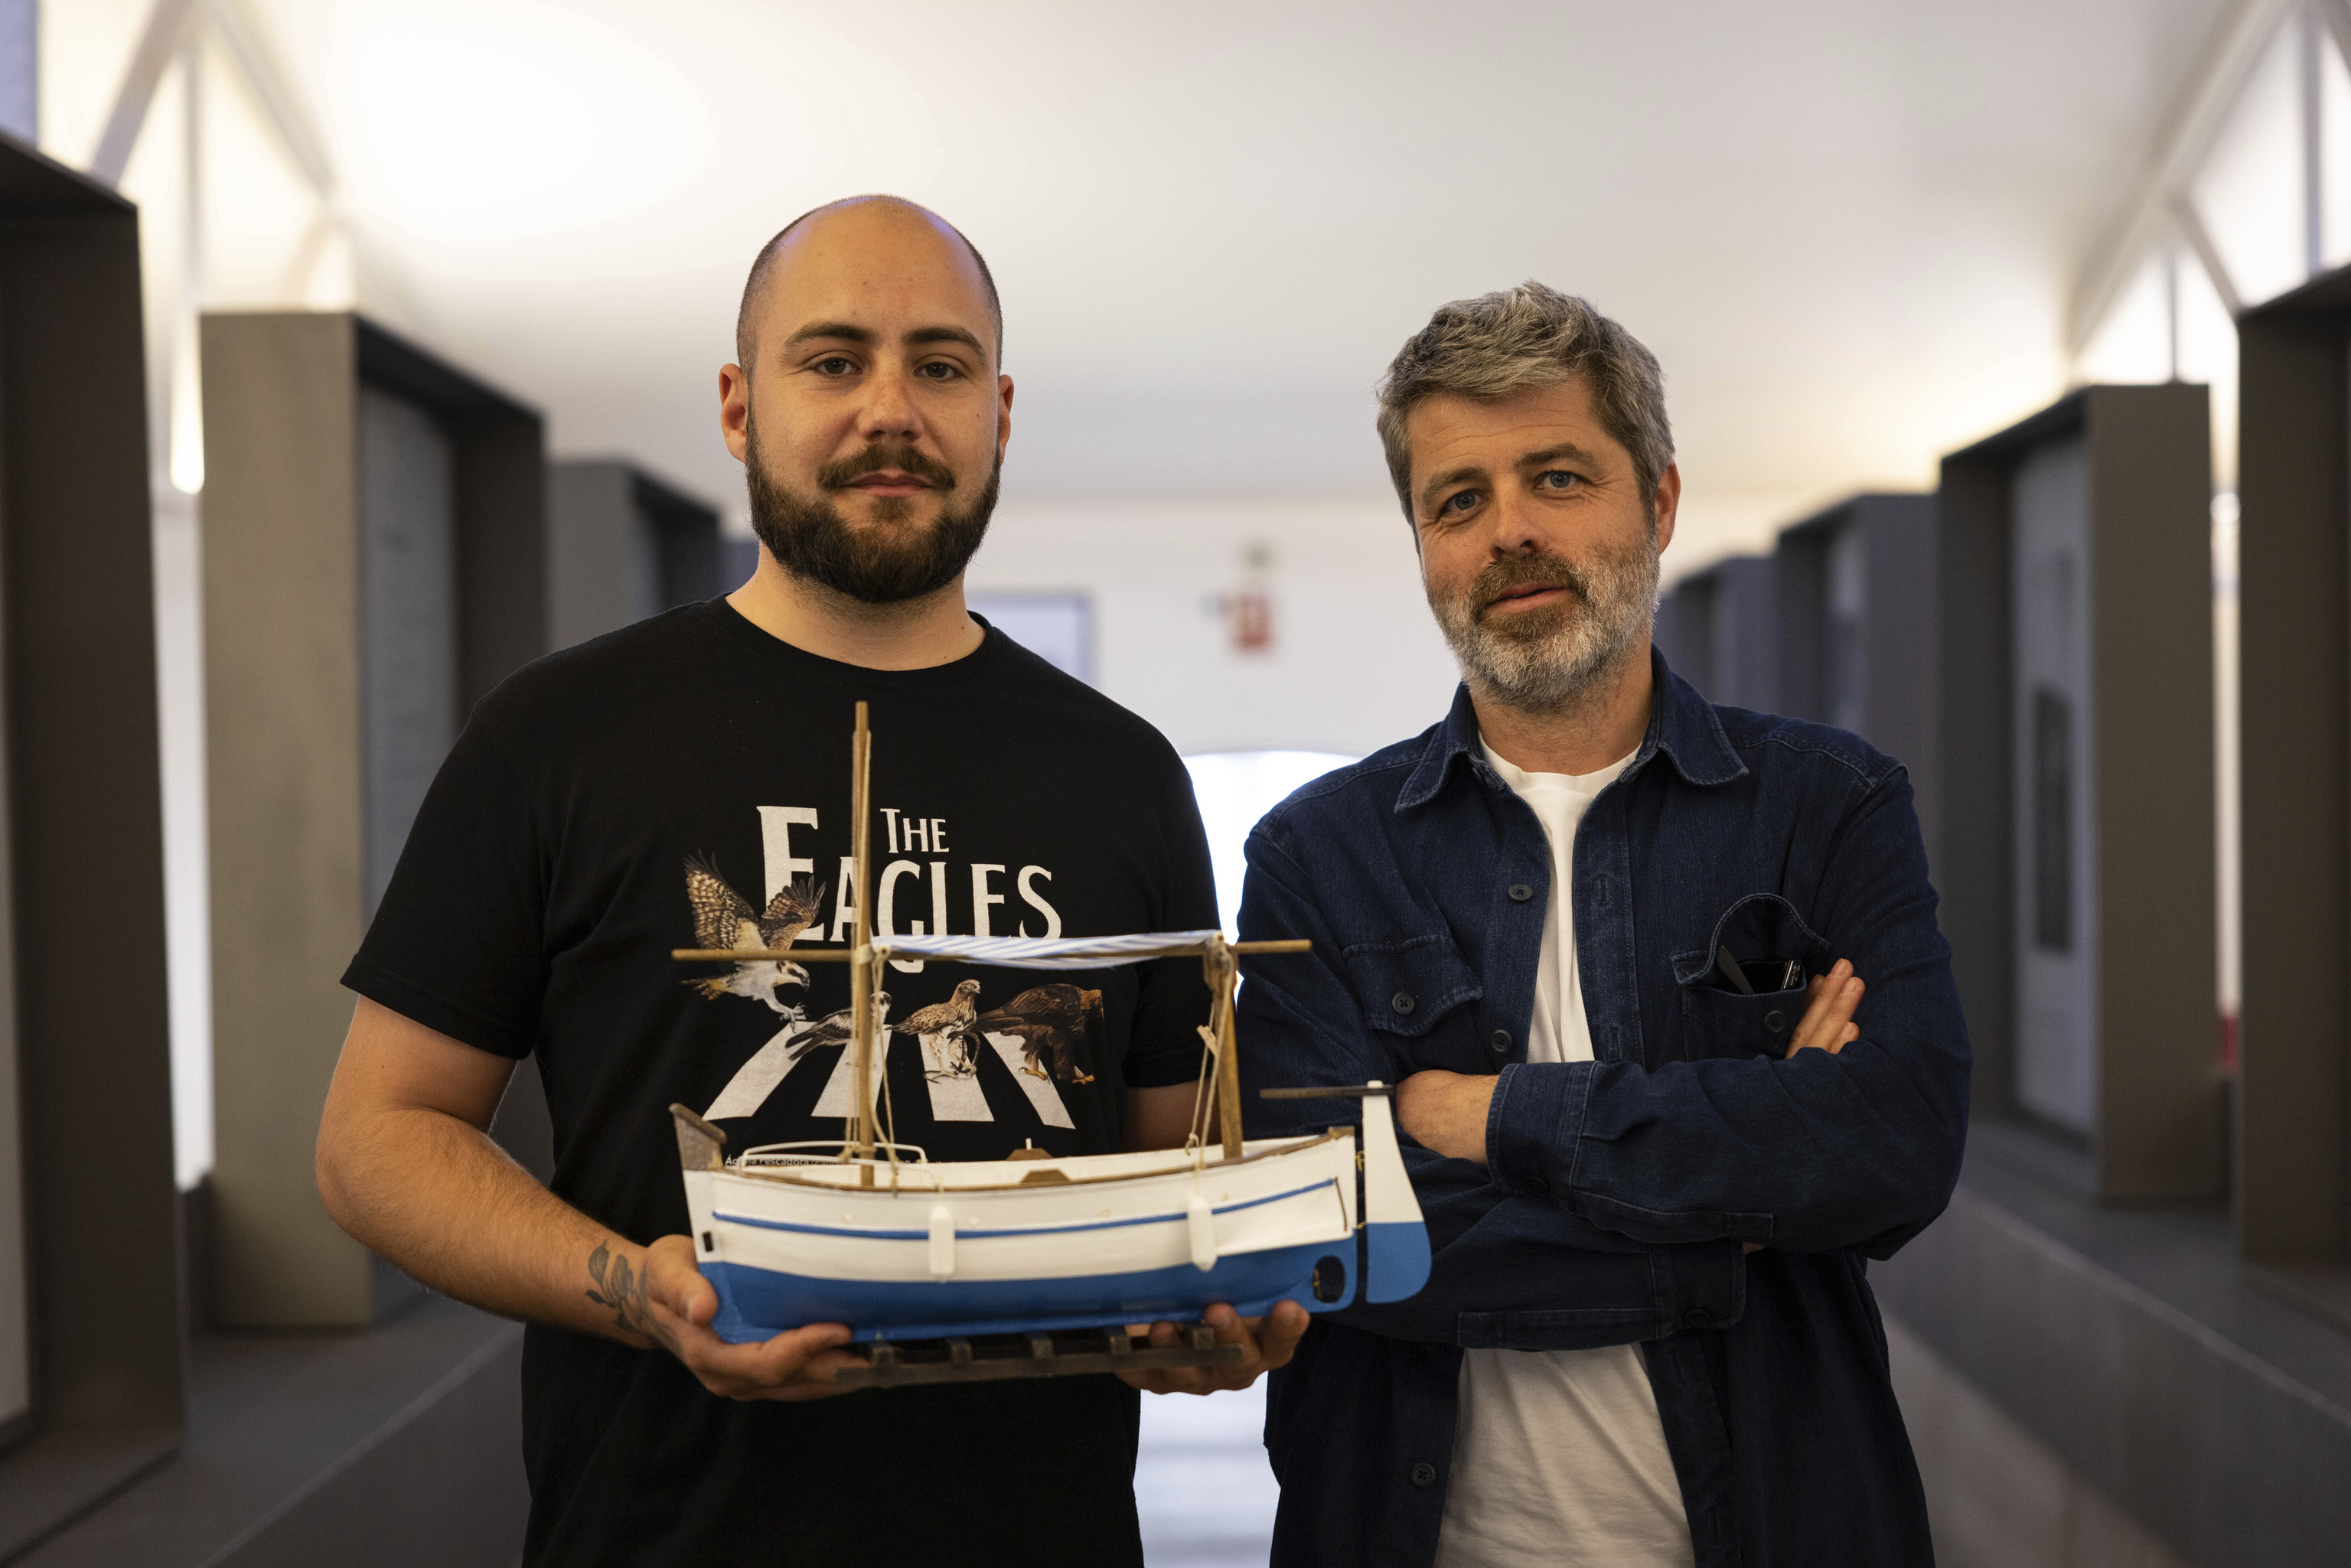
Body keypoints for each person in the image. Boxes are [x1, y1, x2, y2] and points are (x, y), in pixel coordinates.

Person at [315, 194, 1306, 1567]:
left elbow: (1167, 1173)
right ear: (739, 407)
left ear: (999, 412)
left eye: (941, 366)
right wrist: (637, 1290)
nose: (890, 410)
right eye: (834, 360)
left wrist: (1203, 1307)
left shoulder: (1124, 773)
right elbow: (376, 1140)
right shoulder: (559, 736)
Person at [1237, 282, 1967, 1566]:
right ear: (1423, 546)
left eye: (1559, 478)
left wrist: (1490, 1116)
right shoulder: (1319, 857)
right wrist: (1734, 1213)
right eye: (1458, 501)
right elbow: (1327, 1229)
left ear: (1660, 503)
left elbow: (1896, 1142)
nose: (1510, 531)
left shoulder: (1827, 806)